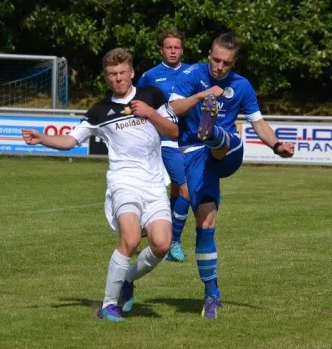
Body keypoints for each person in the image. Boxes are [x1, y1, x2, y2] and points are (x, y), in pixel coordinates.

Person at [22, 48, 178, 322]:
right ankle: (108, 305)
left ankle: (126, 280)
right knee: (130, 240)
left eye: (122, 73)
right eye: (112, 75)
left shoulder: (152, 96)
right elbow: (70, 141)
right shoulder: (99, 112)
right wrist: (43, 138)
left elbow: (174, 131)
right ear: (107, 78)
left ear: (132, 72)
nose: (118, 79)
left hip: (154, 184)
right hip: (123, 183)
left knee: (162, 245)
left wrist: (151, 114)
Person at [169, 33, 295, 319]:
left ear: (234, 62)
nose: (219, 67)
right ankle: (212, 294)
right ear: (207, 54)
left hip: (227, 154)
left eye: (226, 63)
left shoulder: (241, 86)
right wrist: (201, 96)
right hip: (193, 155)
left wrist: (277, 146)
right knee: (206, 222)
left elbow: (258, 123)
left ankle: (212, 130)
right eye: (215, 60)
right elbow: (173, 109)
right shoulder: (191, 75)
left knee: (226, 139)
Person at [136, 29, 191, 262]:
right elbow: (137, 105)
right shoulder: (150, 76)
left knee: (177, 191)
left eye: (177, 47)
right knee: (186, 192)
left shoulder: (192, 73)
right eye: (169, 47)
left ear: (182, 49)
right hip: (165, 141)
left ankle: (158, 228)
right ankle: (174, 241)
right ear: (161, 49)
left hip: (190, 141)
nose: (173, 51)